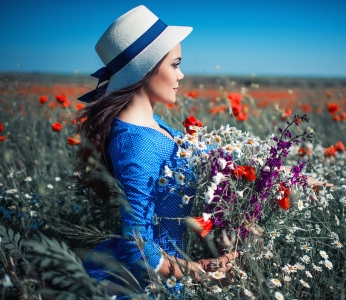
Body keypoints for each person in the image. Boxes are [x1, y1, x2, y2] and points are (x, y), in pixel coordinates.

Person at [75, 5, 237, 298]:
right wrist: (199, 271)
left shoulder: (153, 125)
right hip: (146, 284)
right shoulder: (136, 144)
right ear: (147, 70)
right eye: (175, 65)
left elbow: (200, 152)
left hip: (172, 271)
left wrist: (279, 171)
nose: (182, 74)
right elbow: (137, 245)